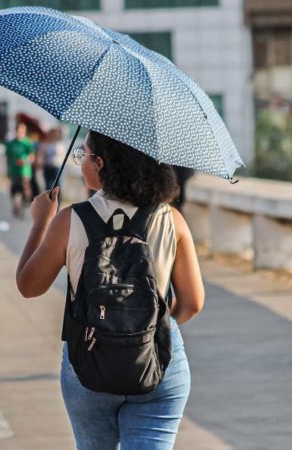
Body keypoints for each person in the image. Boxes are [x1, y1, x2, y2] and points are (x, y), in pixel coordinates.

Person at [15, 131, 205, 449]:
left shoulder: (68, 221)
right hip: (158, 362)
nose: (80, 163)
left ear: (100, 164)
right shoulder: (171, 219)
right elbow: (193, 303)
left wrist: (40, 222)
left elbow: (28, 285)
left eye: (83, 155)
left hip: (90, 362)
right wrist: (145, 328)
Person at [5, 122, 35, 218]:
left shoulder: (27, 143)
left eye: (22, 131)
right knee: (14, 190)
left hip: (25, 171)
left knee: (24, 189)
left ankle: (24, 203)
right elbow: (7, 158)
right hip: (14, 171)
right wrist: (7, 171)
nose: (20, 132)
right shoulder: (11, 144)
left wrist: (25, 161)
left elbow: (32, 157)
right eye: (18, 130)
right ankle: (15, 206)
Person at [39, 127, 64, 191]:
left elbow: (61, 156)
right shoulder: (46, 144)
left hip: (56, 167)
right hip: (47, 166)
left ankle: (57, 199)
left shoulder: (59, 144)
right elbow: (41, 153)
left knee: (56, 186)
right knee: (48, 186)